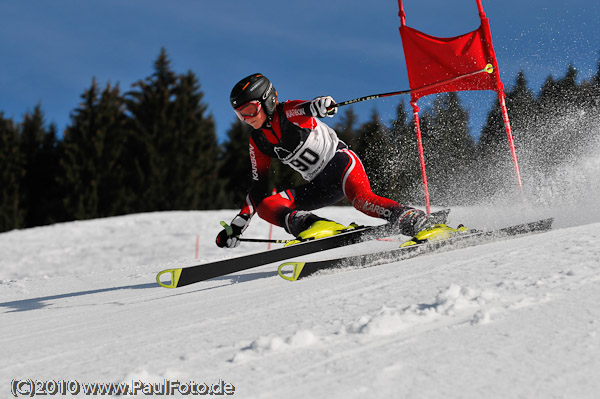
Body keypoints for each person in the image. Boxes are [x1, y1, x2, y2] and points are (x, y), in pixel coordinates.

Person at [216, 73, 437, 249]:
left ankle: (412, 218)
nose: (246, 118)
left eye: (250, 110)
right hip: (320, 185)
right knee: (267, 205)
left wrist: (322, 104)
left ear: (267, 101)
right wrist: (240, 222)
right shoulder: (258, 142)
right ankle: (312, 224)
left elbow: (309, 107)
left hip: (340, 164)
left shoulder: (288, 112)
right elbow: (258, 188)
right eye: (240, 114)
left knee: (361, 200)